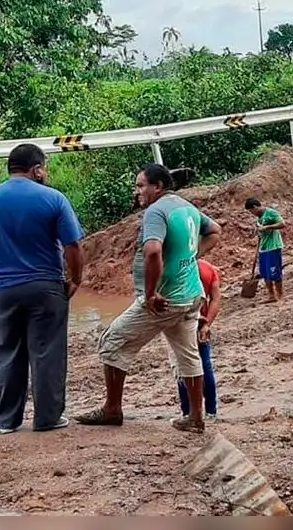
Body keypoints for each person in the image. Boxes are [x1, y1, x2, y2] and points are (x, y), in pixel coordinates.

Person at [75, 163, 222, 434]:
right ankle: (196, 417)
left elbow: (153, 251)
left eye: (141, 185)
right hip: (190, 295)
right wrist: (191, 258)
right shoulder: (186, 206)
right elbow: (214, 230)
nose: (137, 191)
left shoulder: (155, 211)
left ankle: (112, 409)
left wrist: (152, 293)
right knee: (188, 354)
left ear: (158, 187)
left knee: (112, 341)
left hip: (164, 299)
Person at [0, 143, 84, 434]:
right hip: (46, 286)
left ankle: (7, 422)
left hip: (2, 290)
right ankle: (48, 418)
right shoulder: (54, 198)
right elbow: (73, 245)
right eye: (45, 168)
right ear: (37, 169)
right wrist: (75, 278)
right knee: (48, 352)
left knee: (5, 353)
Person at [176, 258, 221, 420]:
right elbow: (216, 298)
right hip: (201, 322)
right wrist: (207, 324)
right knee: (205, 365)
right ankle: (211, 411)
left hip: (182, 320)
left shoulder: (176, 265)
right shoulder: (208, 268)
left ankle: (188, 412)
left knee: (183, 366)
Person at [244, 198, 284, 303]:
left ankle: (280, 295)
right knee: (265, 273)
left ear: (255, 207)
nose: (252, 213)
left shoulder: (271, 213)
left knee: (274, 272)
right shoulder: (259, 218)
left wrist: (266, 227)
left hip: (274, 246)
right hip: (264, 248)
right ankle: (271, 295)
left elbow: (282, 224)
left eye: (251, 211)